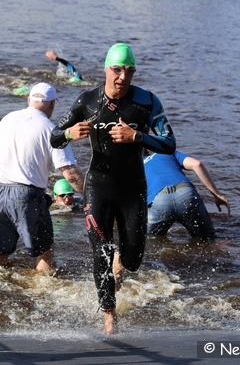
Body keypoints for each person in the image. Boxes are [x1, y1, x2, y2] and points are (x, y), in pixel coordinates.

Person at [50, 42, 176, 334]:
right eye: (116, 70)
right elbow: (54, 137)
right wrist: (69, 133)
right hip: (99, 188)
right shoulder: (88, 101)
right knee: (102, 253)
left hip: (133, 189)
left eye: (128, 71)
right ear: (106, 69)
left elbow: (170, 143)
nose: (122, 77)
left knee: (132, 260)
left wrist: (137, 136)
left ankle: (122, 259)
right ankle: (109, 315)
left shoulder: (147, 102)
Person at [0, 82, 84, 274]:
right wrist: (90, 193)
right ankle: (41, 293)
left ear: (28, 100)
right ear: (53, 104)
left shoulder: (7, 119)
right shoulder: (52, 130)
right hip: (26, 194)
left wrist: (1, 186)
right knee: (45, 251)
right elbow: (70, 174)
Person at [144, 150, 230, 239]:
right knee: (208, 240)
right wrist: (217, 195)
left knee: (151, 240)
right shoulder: (167, 152)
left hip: (159, 200)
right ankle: (226, 248)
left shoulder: (136, 167)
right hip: (186, 193)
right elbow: (197, 164)